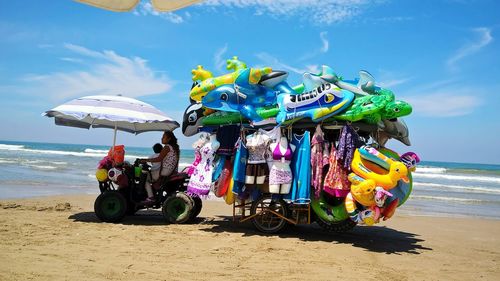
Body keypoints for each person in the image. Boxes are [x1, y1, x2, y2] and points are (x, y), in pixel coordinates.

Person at [139, 131, 180, 204]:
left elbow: (159, 159)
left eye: (164, 137)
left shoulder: (167, 147)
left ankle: (151, 197)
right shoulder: (174, 148)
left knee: (145, 178)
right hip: (170, 170)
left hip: (165, 171)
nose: (162, 138)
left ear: (169, 139)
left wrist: (145, 160)